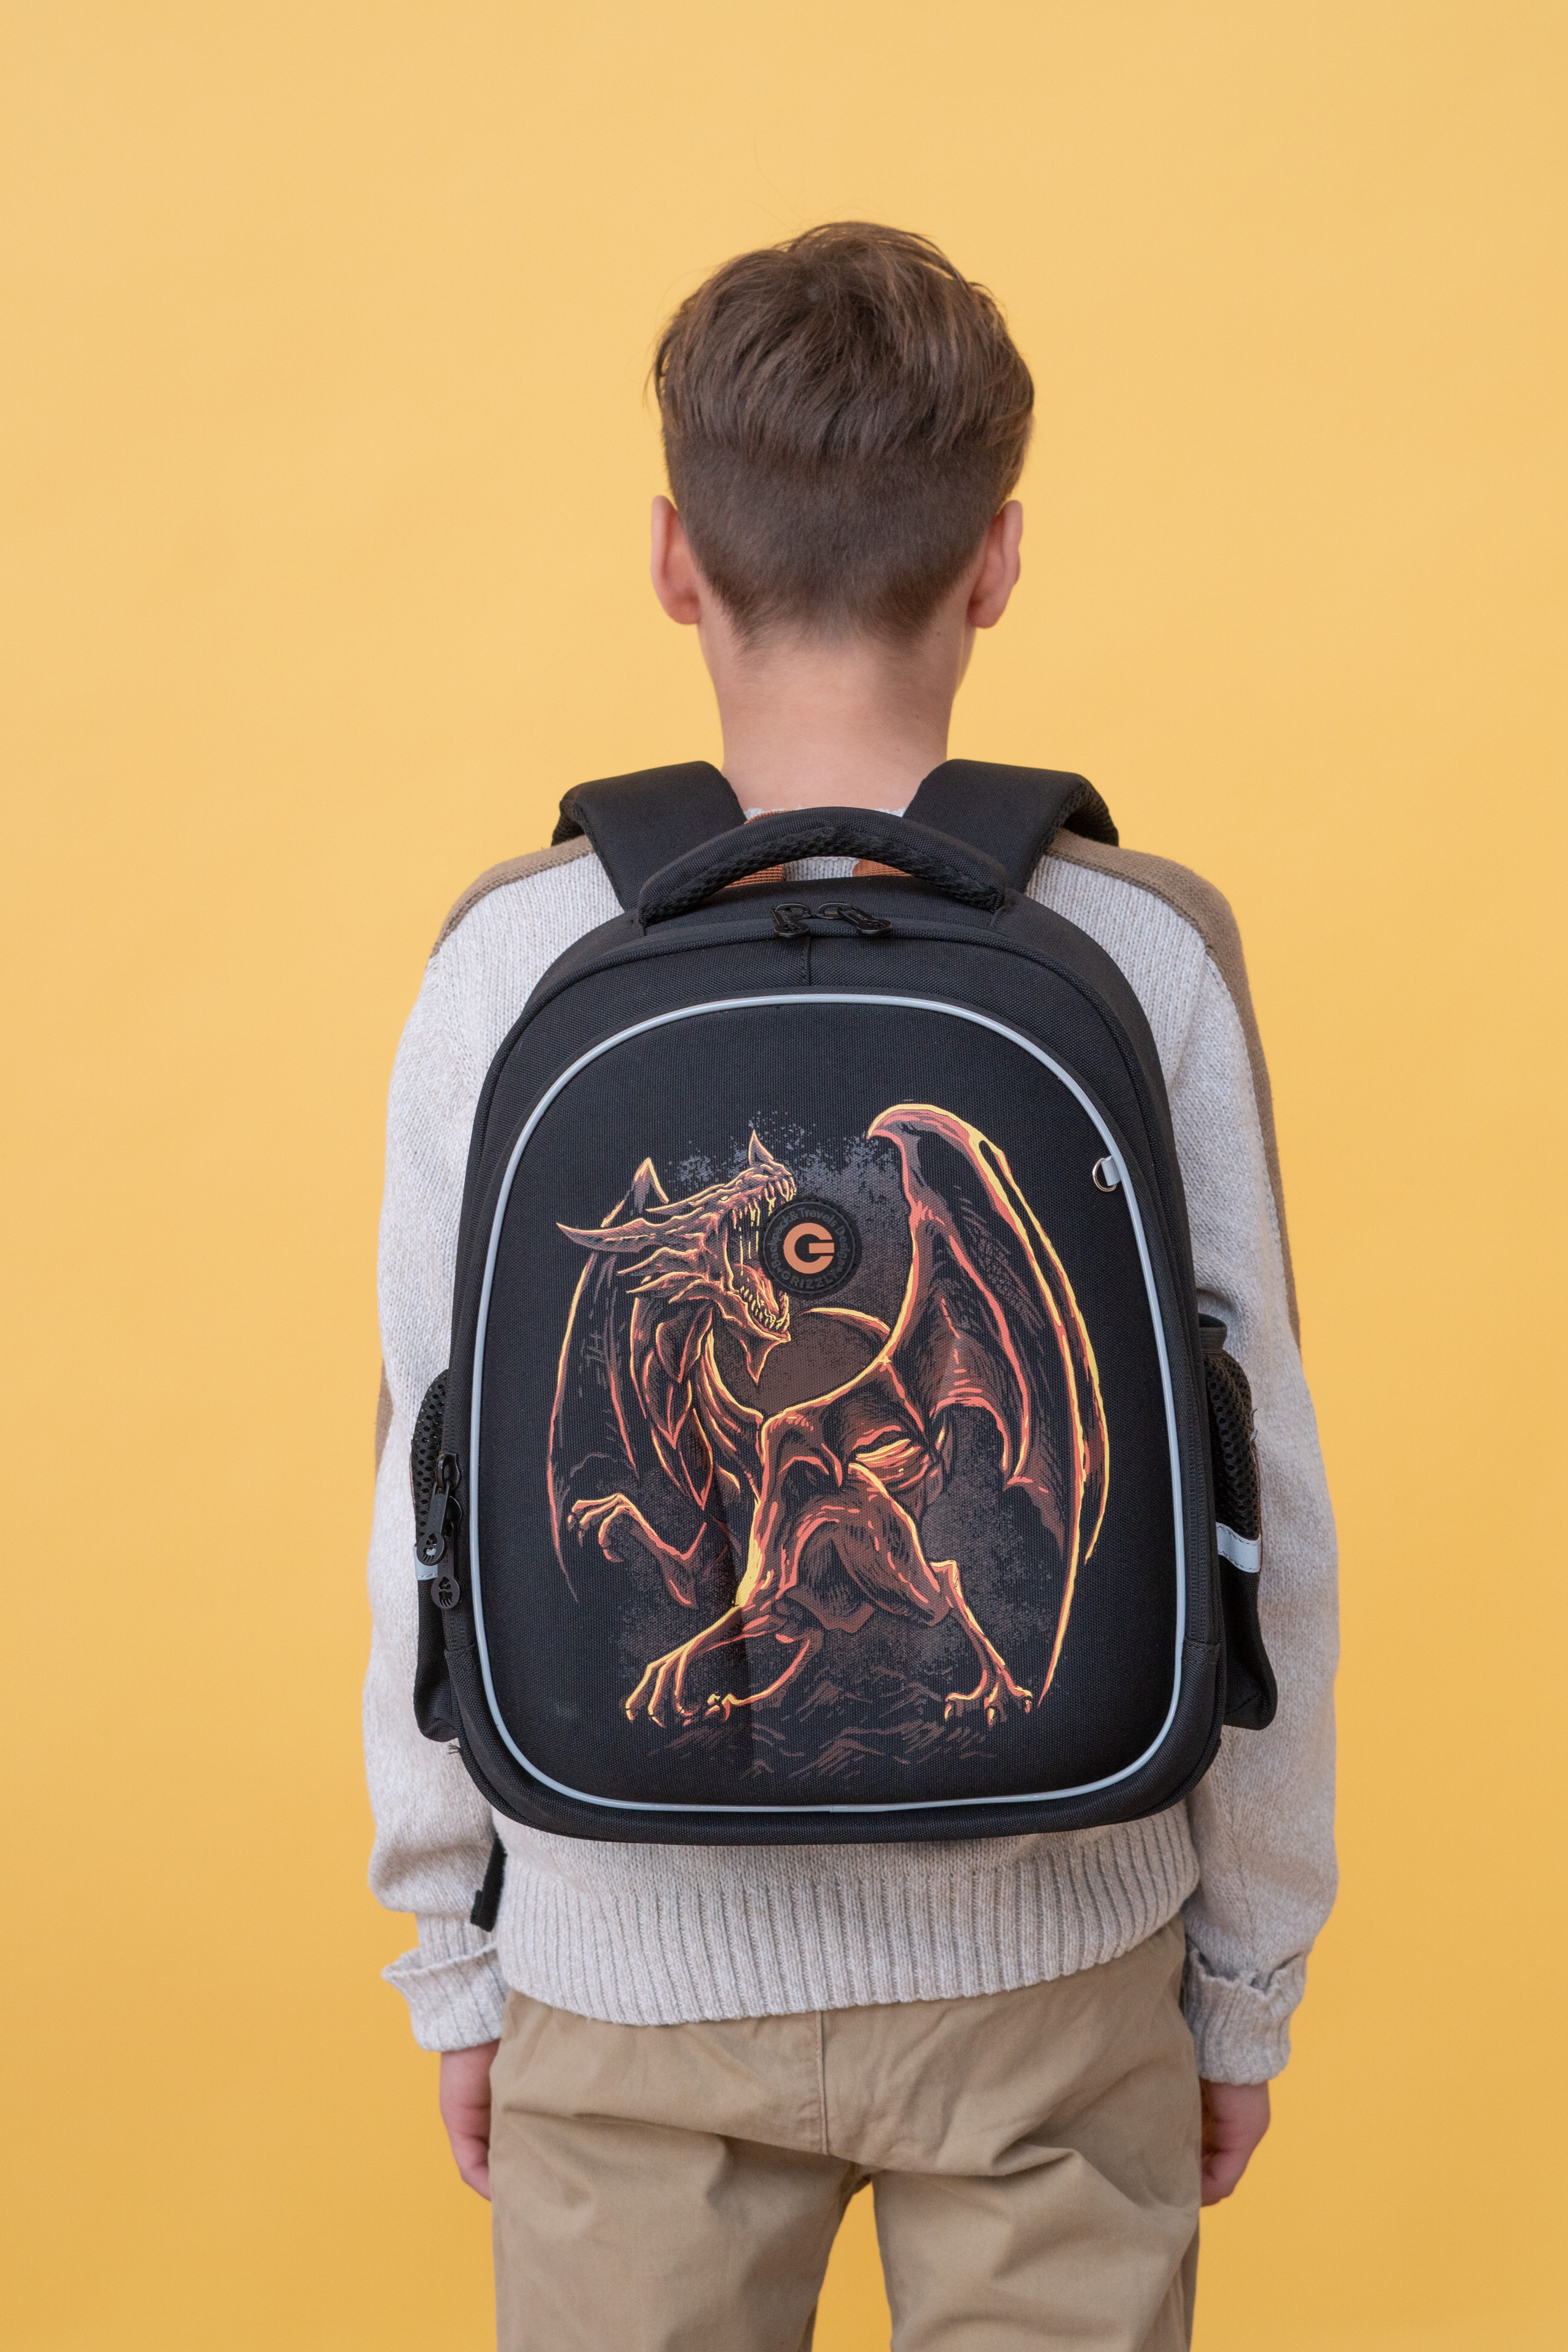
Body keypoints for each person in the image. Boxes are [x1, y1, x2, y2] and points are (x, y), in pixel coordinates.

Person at [364, 222, 1337, 2351]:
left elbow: (422, 1486)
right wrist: (1242, 1977)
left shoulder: (512, 960)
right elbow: (1254, 1489)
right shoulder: (1140, 946)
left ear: (671, 559)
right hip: (1051, 1962)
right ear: (997, 560)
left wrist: (456, 1954)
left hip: (622, 1970)